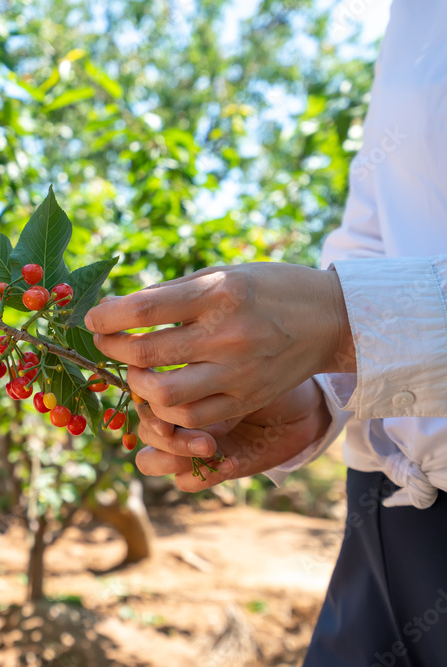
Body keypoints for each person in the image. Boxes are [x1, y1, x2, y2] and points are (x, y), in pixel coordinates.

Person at [84, 2, 447, 665]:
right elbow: (374, 236)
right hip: (389, 518)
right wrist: (316, 395)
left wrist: (343, 321)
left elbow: (353, 302)